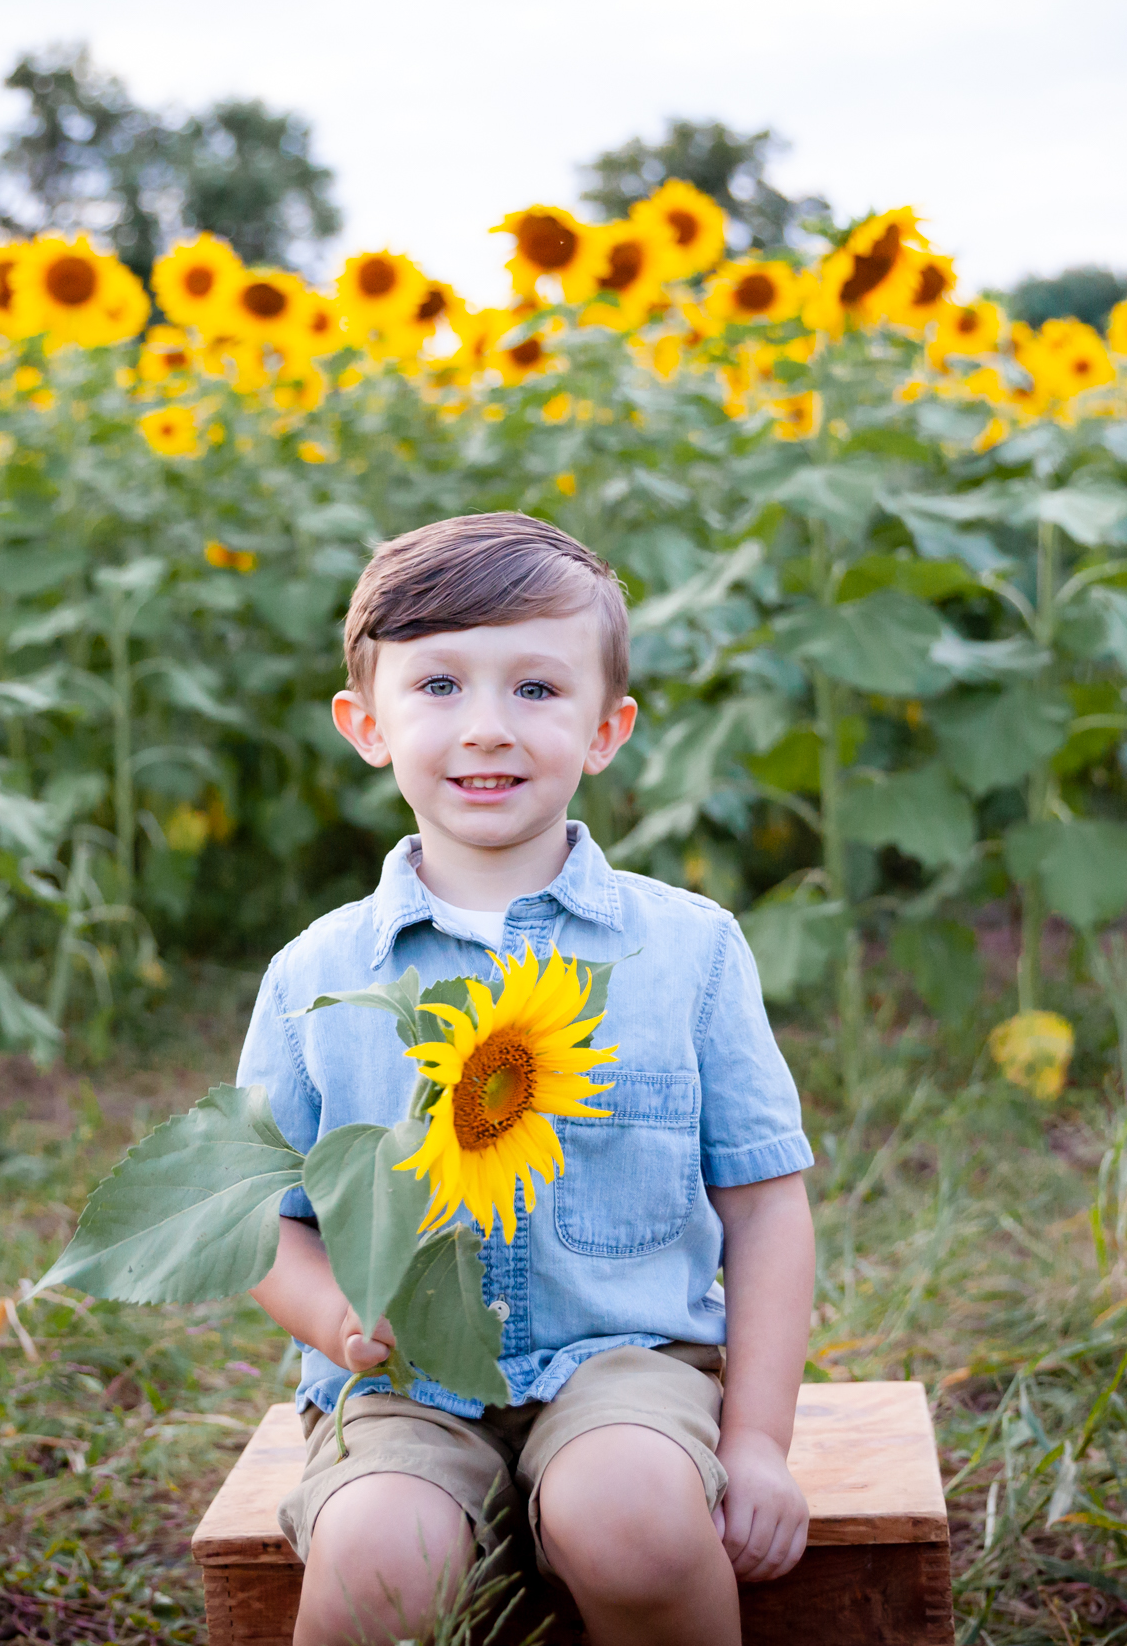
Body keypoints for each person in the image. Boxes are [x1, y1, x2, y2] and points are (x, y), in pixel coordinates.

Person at [237, 511, 817, 1646]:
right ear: (366, 724)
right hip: (402, 1383)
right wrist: (338, 1318)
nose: (488, 728)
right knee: (374, 1564)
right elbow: (263, 1217)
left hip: (627, 1360)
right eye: (440, 685)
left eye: (538, 691)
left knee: (636, 1522)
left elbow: (765, 1203)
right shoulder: (320, 975)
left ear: (608, 729)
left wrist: (754, 1442)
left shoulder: (686, 951)